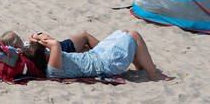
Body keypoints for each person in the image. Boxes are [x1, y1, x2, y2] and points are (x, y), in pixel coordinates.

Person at [25, 30, 171, 81]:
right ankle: (153, 74)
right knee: (134, 35)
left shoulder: (50, 62)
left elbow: (51, 43)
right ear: (43, 53)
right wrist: (39, 39)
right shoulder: (53, 69)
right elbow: (55, 43)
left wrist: (36, 38)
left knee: (124, 32)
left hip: (97, 55)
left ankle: (140, 66)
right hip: (105, 64)